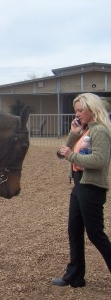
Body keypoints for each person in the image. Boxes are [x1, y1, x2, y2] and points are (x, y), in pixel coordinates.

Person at [52, 93, 111, 288]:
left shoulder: (100, 131)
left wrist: (72, 156)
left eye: (80, 110)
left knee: (95, 234)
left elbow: (99, 161)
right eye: (75, 110)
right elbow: (62, 154)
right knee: (74, 230)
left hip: (92, 187)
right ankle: (75, 276)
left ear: (92, 109)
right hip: (79, 184)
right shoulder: (84, 130)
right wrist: (73, 134)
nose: (77, 114)